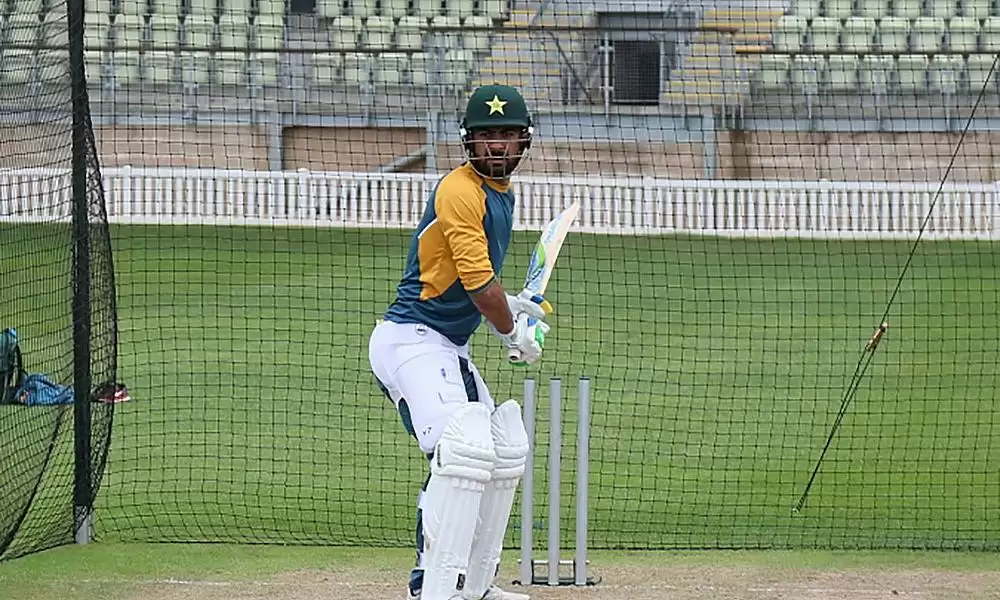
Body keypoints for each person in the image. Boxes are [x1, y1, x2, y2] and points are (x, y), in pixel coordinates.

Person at [368, 84, 550, 600]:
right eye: (487, 134)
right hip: (412, 340)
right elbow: (477, 285)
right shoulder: (459, 190)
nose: (497, 144)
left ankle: (473, 586)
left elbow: (470, 282)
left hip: (448, 346)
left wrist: (508, 305)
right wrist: (511, 330)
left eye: (507, 134)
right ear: (469, 141)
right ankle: (431, 589)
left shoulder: (500, 194)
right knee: (463, 452)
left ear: (523, 141)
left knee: (500, 454)